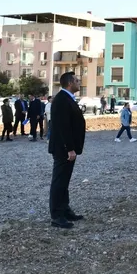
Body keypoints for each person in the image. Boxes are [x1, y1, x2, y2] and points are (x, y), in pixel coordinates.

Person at [48, 72, 86, 229]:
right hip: (63, 149)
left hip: (68, 149)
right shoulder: (62, 100)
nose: (79, 83)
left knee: (64, 181)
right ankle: (57, 215)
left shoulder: (67, 98)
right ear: (70, 83)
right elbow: (63, 127)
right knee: (59, 182)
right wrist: (69, 148)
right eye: (77, 80)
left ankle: (65, 209)